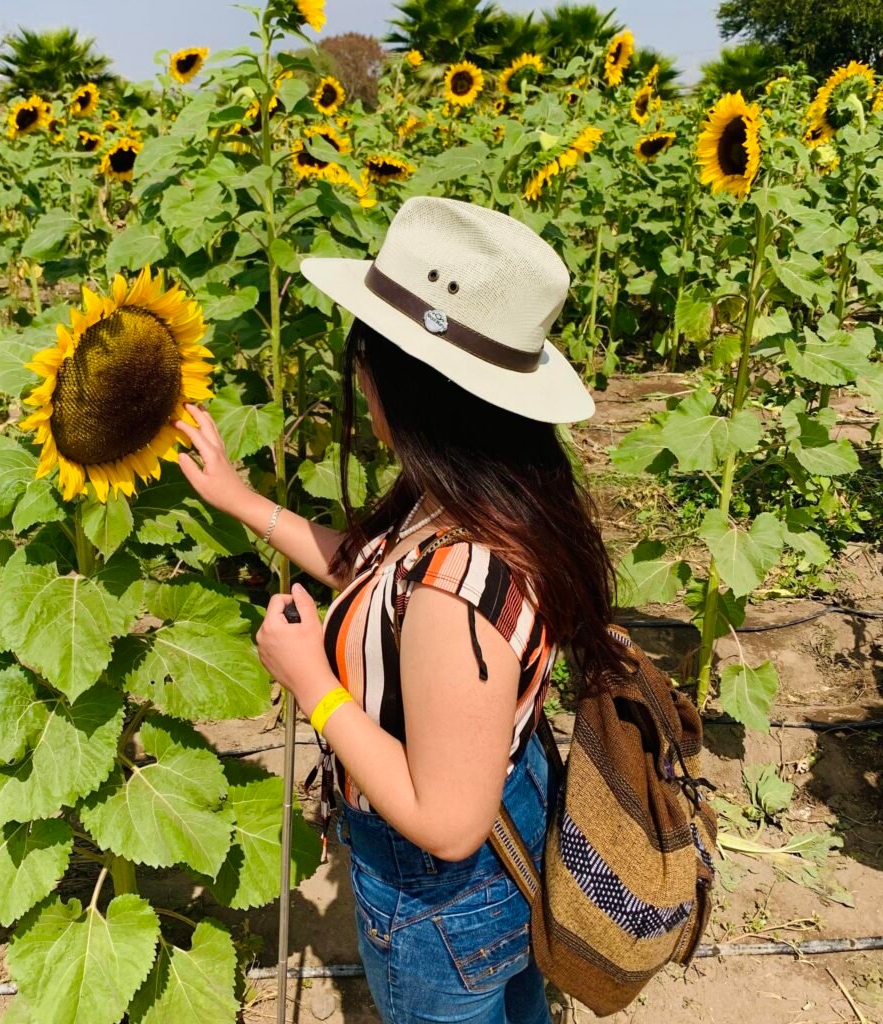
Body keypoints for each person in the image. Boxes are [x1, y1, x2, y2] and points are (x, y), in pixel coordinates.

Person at [176, 195, 624, 1024]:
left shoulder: (459, 595)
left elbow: (447, 823)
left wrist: (314, 684)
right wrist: (244, 503)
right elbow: (381, 571)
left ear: (404, 388)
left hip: (440, 892)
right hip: (513, 813)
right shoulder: (493, 493)